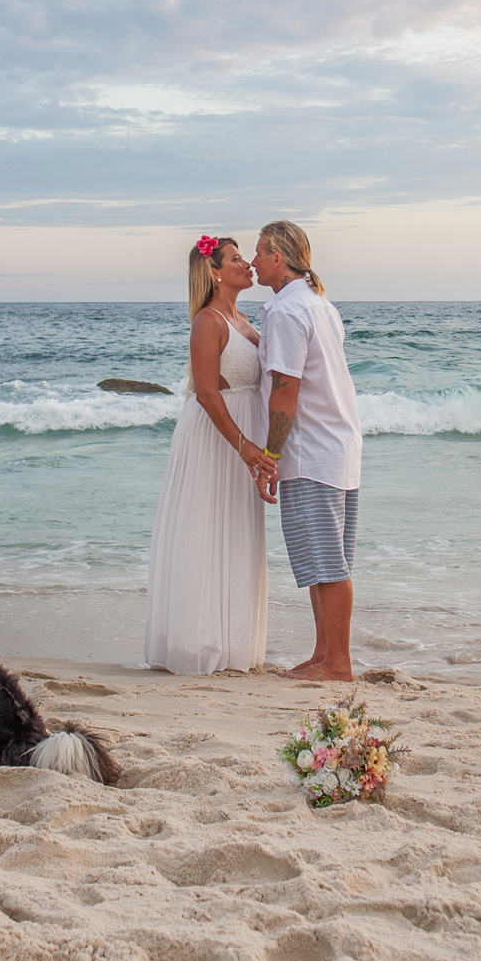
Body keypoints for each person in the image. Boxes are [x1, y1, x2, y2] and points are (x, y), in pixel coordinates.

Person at [144, 235, 271, 675]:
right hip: (216, 439)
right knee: (205, 530)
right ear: (216, 271)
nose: (247, 264)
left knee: (235, 531)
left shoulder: (244, 318)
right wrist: (245, 446)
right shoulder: (208, 321)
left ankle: (232, 643)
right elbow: (206, 393)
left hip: (239, 440)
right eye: (237, 259)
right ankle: (197, 643)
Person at [251, 221, 362, 682]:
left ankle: (338, 663)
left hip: (312, 449)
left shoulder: (287, 312)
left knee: (327, 561)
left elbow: (285, 389)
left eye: (259, 253)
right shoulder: (320, 305)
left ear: (279, 258)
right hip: (337, 446)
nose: (254, 261)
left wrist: (269, 457)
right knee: (323, 558)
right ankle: (324, 654)